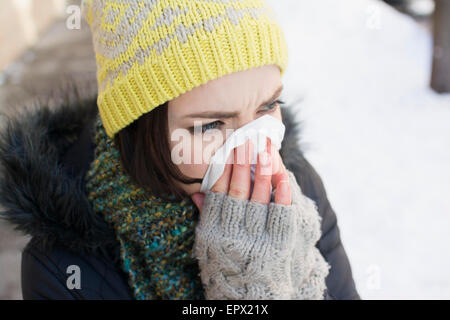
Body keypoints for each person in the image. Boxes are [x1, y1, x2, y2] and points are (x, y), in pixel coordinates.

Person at [0, 0, 360, 300]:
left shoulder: (297, 187)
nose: (253, 149)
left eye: (268, 106)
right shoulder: (64, 270)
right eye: (209, 125)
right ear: (138, 129)